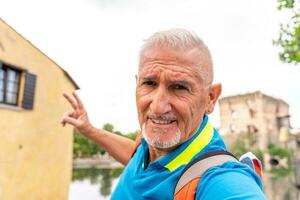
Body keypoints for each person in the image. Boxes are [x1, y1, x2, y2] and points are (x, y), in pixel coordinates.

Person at [61, 28, 266, 199]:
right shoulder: (152, 143)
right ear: (137, 83)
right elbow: (136, 158)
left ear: (210, 98)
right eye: (149, 83)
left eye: (179, 87)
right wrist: (89, 130)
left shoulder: (219, 179)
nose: (158, 107)